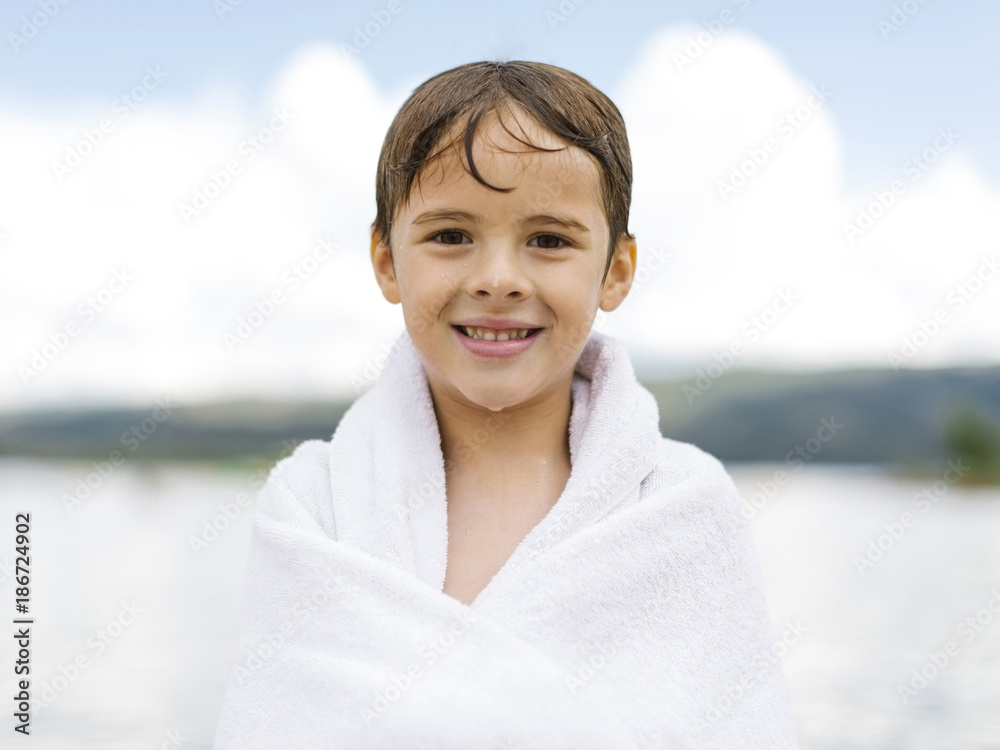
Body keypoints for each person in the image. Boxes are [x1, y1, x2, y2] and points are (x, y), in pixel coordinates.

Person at [213, 60, 800, 749]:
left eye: (549, 240)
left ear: (616, 270)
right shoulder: (315, 508)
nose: (498, 279)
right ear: (385, 261)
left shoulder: (683, 511)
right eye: (450, 236)